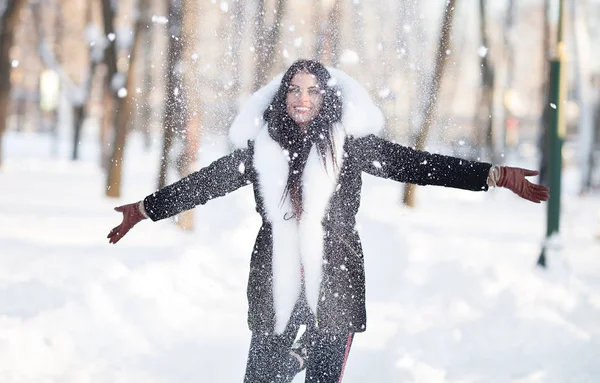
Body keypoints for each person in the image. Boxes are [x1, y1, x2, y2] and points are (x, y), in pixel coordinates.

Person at [107, 60, 549, 382]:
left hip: (334, 280)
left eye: (312, 91)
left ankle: (304, 355)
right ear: (283, 97)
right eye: (294, 90)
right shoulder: (261, 151)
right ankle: (290, 354)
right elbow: (206, 184)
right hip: (275, 279)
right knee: (261, 378)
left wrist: (493, 175)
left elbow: (419, 165)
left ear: (326, 97)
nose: (303, 99)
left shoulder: (349, 147)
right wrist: (146, 209)